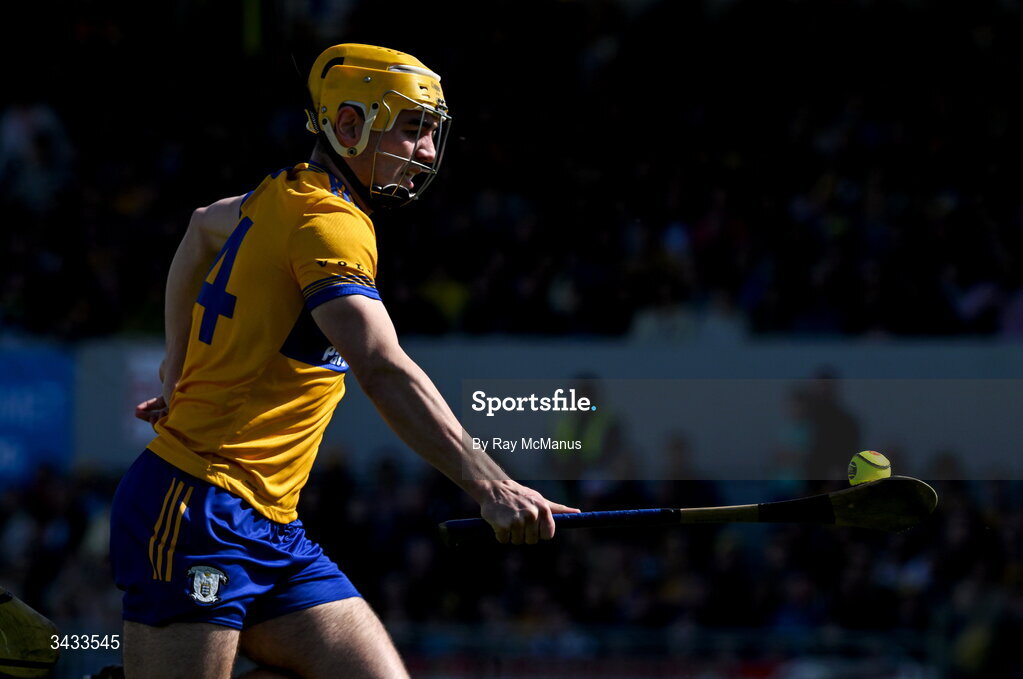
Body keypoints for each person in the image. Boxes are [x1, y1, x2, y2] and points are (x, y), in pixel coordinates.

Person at [111, 43, 578, 679]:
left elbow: (198, 230)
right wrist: (490, 484)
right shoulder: (329, 225)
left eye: (433, 135)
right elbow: (381, 366)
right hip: (195, 509)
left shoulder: (283, 194)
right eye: (412, 131)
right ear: (349, 125)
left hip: (273, 525)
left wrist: (178, 366)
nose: (428, 155)